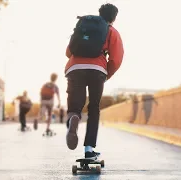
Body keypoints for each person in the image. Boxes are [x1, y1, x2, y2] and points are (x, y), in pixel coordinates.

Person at [65, 3, 124, 159]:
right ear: (114, 18)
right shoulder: (112, 31)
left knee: (75, 105)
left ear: (99, 13)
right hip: (97, 70)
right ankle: (89, 150)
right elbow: (116, 59)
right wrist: (106, 74)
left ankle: (73, 118)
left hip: (75, 68)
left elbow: (68, 52)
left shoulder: (83, 26)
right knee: (93, 108)